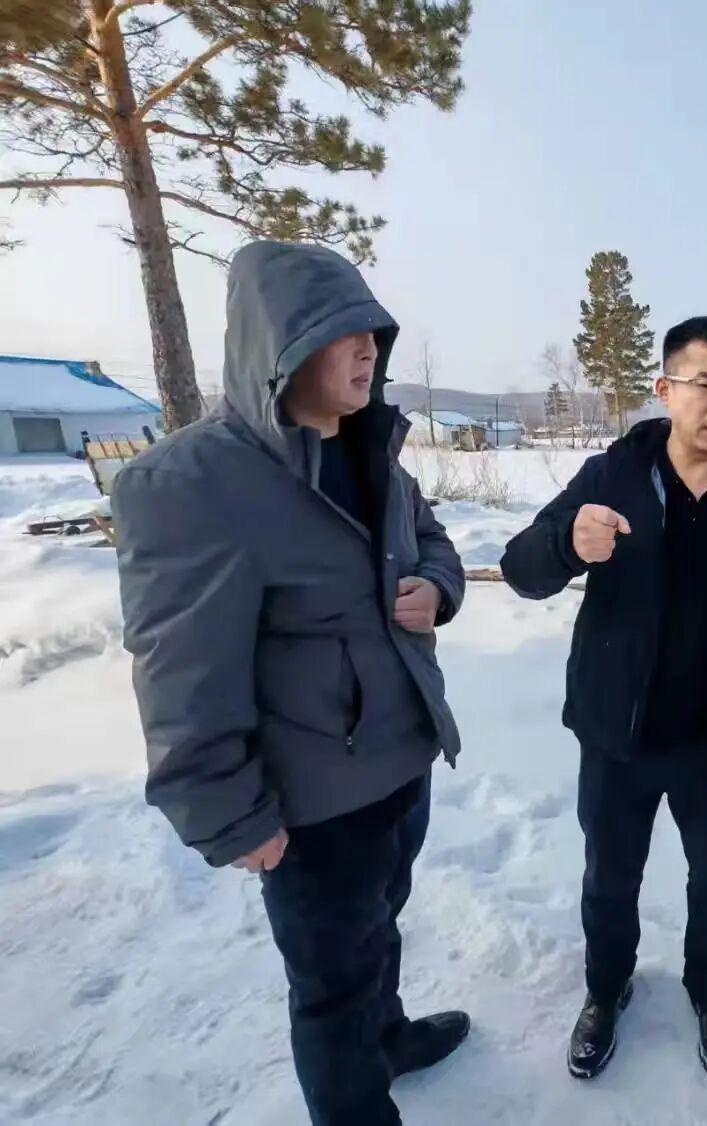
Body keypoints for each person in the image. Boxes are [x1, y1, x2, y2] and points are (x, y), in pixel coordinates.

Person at [114, 241, 471, 1126]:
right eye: (343, 331)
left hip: (401, 760)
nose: (368, 350)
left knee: (380, 926)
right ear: (280, 346)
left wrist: (438, 587)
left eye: (373, 332)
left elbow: (432, 541)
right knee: (330, 988)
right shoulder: (192, 483)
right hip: (313, 805)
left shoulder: (374, 451)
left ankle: (388, 1037)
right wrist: (229, 814)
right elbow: (180, 671)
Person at [501, 316, 707, 1081]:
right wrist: (567, 543)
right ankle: (606, 989)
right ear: (665, 389)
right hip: (619, 733)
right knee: (610, 876)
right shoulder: (611, 478)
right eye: (705, 385)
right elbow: (519, 569)